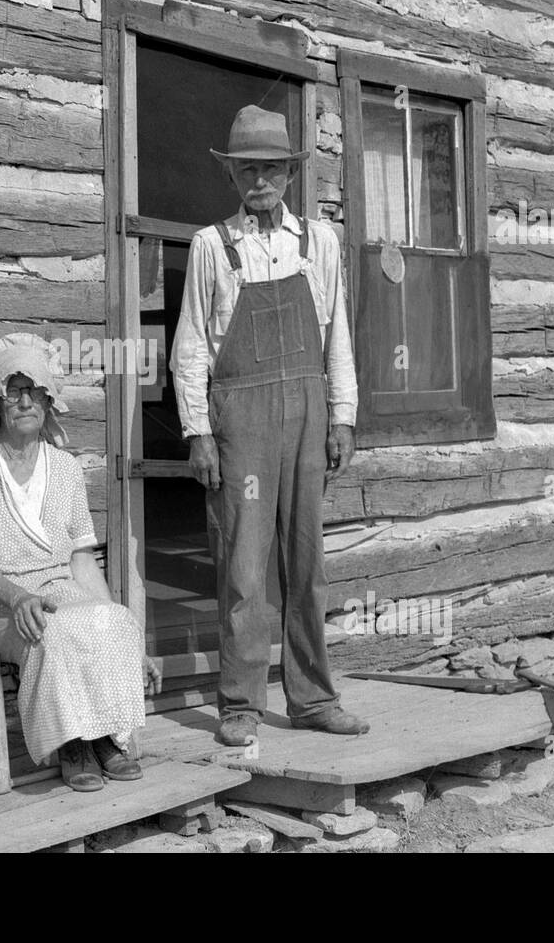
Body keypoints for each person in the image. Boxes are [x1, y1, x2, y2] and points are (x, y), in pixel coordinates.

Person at [170, 104, 369, 746]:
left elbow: (338, 333)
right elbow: (191, 348)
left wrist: (342, 416)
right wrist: (197, 431)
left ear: (289, 174)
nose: (260, 180)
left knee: (306, 560)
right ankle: (241, 703)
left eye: (272, 169)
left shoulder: (319, 242)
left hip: (308, 412)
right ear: (233, 177)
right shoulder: (211, 246)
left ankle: (312, 698)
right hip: (240, 419)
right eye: (248, 169)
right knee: (244, 564)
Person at [0, 333, 158, 792]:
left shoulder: (64, 468)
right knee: (54, 630)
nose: (25, 401)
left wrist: (119, 624)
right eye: (14, 391)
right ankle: (72, 745)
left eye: (35, 391)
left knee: (115, 622)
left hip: (58, 594)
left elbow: (81, 560)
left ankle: (104, 738)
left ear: (48, 400)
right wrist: (19, 597)